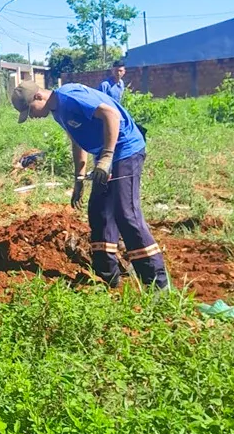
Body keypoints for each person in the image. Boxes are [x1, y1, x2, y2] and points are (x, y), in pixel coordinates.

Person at [11, 81, 168, 289]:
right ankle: (106, 276)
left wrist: (107, 157)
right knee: (99, 212)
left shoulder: (70, 98)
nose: (31, 116)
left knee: (126, 213)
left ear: (39, 97)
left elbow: (111, 115)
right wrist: (79, 179)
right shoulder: (58, 111)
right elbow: (77, 142)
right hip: (106, 155)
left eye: (30, 111)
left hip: (125, 151)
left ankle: (156, 282)